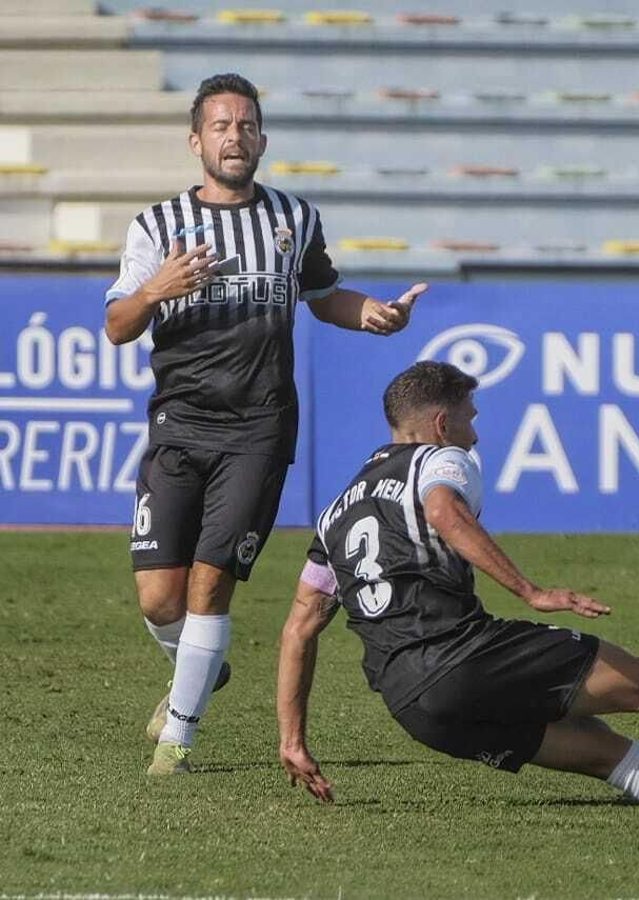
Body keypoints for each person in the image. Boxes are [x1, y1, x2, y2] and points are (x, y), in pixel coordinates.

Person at [277, 362, 639, 812]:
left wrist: (293, 740)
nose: (475, 435)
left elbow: (301, 625)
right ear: (440, 423)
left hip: (414, 707)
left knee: (608, 753)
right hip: (462, 656)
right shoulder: (439, 459)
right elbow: (444, 512)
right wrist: (530, 590)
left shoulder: (333, 514)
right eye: (471, 418)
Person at [103, 72, 426, 775]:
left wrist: (371, 314)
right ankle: (200, 669)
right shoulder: (155, 226)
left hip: (258, 428)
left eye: (246, 125)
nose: (234, 137)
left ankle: (178, 741)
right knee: (160, 598)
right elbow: (117, 325)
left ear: (263, 139)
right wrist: (159, 288)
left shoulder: (292, 219)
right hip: (179, 425)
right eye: (220, 126)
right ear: (196, 141)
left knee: (210, 584)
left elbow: (323, 294)